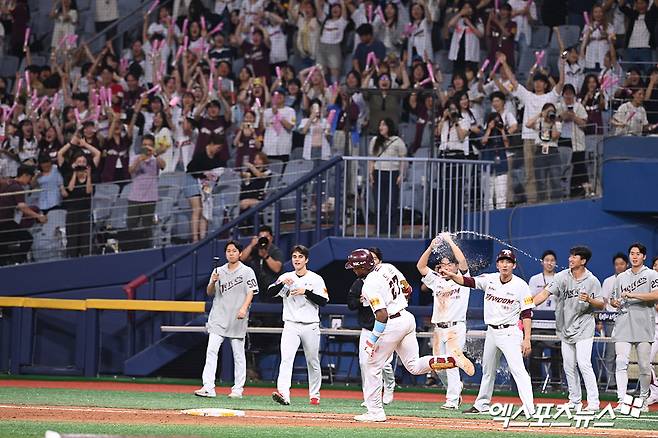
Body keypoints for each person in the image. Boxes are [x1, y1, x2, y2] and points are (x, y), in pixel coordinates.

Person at [346, 248, 474, 422]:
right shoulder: (387, 267)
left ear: (362, 267)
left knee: (371, 365)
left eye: (355, 267)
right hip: (406, 317)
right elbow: (408, 289)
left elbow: (381, 314)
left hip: (391, 322)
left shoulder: (369, 285)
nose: (354, 271)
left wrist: (372, 340)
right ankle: (451, 360)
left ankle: (375, 412)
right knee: (413, 366)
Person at [442, 249, 535, 415]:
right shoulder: (489, 279)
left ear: (513, 265)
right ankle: (482, 404)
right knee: (488, 370)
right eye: (502, 261)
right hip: (492, 332)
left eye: (508, 262)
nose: (505, 264)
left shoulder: (521, 285)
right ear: (497, 264)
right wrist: (452, 275)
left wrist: (527, 339)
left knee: (518, 370)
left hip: (510, 332)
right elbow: (468, 281)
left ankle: (529, 409)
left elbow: (527, 314)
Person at [533, 246, 604, 411]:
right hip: (566, 327)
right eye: (570, 256)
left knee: (584, 363)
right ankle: (574, 400)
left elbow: (601, 304)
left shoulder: (592, 280)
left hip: (584, 327)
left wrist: (589, 300)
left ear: (583, 261)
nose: (570, 259)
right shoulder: (561, 277)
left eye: (574, 257)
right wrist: (527, 305)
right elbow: (544, 294)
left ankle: (593, 402)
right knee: (569, 365)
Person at [265, 245, 329, 406]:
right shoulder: (286, 276)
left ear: (306, 259)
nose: (297, 259)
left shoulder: (316, 278)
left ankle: (315, 395)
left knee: (313, 361)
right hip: (291, 324)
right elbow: (270, 292)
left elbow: (324, 301)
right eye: (294, 256)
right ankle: (284, 394)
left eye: (300, 257)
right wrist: (282, 284)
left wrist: (306, 291)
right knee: (286, 359)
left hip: (310, 325)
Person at [195, 240, 259, 399]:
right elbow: (209, 292)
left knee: (238, 355)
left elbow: (251, 291)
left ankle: (238, 390)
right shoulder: (218, 270)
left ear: (240, 253)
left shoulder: (247, 271)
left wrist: (244, 308)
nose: (231, 253)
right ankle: (208, 387)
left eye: (234, 250)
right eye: (228, 251)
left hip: (237, 318)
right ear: (226, 253)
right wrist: (213, 281)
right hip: (219, 317)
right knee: (211, 351)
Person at [417, 233, 471, 410]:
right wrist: (432, 246)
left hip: (455, 328)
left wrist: (448, 241)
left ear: (455, 266)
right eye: (443, 264)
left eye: (450, 263)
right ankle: (456, 389)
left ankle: (452, 400)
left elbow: (462, 262)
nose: (446, 266)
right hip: (438, 329)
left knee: (451, 362)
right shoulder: (437, 281)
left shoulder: (462, 280)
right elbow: (421, 266)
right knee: (439, 367)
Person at [347, 247, 399, 407]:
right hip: (368, 327)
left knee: (385, 364)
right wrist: (361, 300)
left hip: (386, 327)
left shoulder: (384, 276)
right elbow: (350, 303)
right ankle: (369, 397)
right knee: (365, 363)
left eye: (375, 258)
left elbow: (384, 310)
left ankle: (389, 386)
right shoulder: (359, 283)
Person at [610, 242, 658, 412]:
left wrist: (633, 294)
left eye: (638, 253)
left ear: (644, 256)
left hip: (644, 325)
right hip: (623, 324)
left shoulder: (652, 274)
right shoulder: (621, 277)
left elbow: (656, 295)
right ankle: (622, 400)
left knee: (644, 366)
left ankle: (643, 399)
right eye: (632, 253)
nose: (634, 256)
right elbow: (613, 299)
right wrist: (614, 302)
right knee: (621, 361)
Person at [0, 165, 47, 265]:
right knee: (27, 238)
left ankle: (7, 262)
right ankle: (16, 261)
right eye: (30, 177)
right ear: (25, 175)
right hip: (5, 222)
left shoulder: (7, 183)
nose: (30, 181)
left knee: (3, 246)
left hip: (4, 220)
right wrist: (38, 216)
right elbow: (22, 207)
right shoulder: (17, 187)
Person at [367, 118, 406, 237]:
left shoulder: (397, 141)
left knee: (393, 202)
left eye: (383, 125)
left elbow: (403, 159)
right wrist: (370, 174)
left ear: (389, 126)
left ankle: (392, 230)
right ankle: (379, 229)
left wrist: (401, 174)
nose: (381, 127)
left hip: (393, 173)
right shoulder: (375, 140)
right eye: (380, 125)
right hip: (379, 172)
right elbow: (372, 159)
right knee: (380, 203)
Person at [127, 134, 166, 251]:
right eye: (144, 145)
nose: (146, 147)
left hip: (150, 197)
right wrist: (140, 159)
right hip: (134, 197)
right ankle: (130, 249)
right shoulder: (136, 157)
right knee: (131, 225)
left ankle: (146, 250)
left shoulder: (155, 159)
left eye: (149, 145)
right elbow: (130, 170)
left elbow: (163, 165)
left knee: (147, 227)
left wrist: (155, 153)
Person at [600, 252, 629, 390]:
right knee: (611, 352)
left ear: (627, 265)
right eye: (616, 264)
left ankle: (625, 382)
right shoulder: (608, 281)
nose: (619, 267)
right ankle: (611, 383)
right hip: (611, 320)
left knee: (626, 353)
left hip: (629, 320)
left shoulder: (631, 280)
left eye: (622, 264)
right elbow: (604, 302)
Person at [525, 103, 562, 202]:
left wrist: (553, 122)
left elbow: (554, 136)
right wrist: (540, 115)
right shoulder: (539, 122)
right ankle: (542, 203)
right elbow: (527, 124)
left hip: (553, 151)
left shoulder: (557, 123)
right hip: (540, 151)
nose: (550, 113)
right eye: (548, 111)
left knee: (555, 179)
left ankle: (556, 202)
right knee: (540, 181)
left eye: (552, 111)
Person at [60, 154, 93, 258]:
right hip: (72, 211)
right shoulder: (69, 176)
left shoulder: (90, 177)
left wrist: (88, 176)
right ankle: (72, 258)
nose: (81, 164)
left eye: (83, 162)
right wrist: (74, 173)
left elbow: (89, 191)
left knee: (85, 238)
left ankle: (85, 258)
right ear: (74, 163)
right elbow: (70, 189)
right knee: (73, 238)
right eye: (79, 161)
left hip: (86, 211)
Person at [240, 225, 284, 294]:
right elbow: (242, 258)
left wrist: (265, 256)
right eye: (261, 237)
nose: (264, 239)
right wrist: (251, 245)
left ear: (271, 238)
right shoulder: (256, 249)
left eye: (266, 237)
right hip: (259, 288)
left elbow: (277, 268)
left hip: (273, 288)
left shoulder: (275, 251)